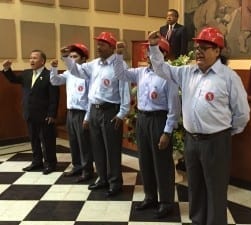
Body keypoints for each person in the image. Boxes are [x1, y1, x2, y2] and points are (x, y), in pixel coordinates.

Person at [148, 27, 250, 225]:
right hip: (191, 141)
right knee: (195, 186)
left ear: (217, 51)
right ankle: (197, 221)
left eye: (204, 47)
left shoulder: (229, 77)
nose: (198, 51)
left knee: (215, 189)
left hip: (216, 141)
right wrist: (153, 47)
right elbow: (161, 69)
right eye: (197, 47)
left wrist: (225, 133)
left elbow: (242, 114)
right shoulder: (187, 72)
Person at [113, 38, 181, 218]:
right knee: (145, 161)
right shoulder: (141, 72)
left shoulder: (169, 76)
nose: (148, 54)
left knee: (162, 164)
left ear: (163, 54)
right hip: (142, 119)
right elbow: (121, 75)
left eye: (153, 50)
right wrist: (119, 55)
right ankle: (150, 197)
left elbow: (174, 108)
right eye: (148, 51)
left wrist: (167, 131)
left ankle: (166, 202)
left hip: (159, 120)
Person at [60, 32, 130, 197]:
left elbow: (124, 91)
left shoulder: (119, 65)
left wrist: (122, 113)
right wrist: (66, 57)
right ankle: (102, 178)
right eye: (98, 43)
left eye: (102, 44)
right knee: (97, 147)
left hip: (110, 111)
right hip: (94, 111)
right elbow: (77, 71)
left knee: (111, 149)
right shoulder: (94, 64)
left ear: (112, 47)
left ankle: (115, 182)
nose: (98, 47)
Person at [1, 50, 60, 175]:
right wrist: (7, 69)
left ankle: (50, 164)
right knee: (34, 139)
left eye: (34, 58)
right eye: (30, 58)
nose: (31, 60)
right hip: (30, 113)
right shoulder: (26, 73)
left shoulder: (50, 75)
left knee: (47, 140)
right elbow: (13, 79)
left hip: (44, 115)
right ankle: (37, 161)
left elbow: (54, 97)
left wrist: (52, 114)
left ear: (42, 61)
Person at [50, 43, 94, 183]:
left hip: (83, 112)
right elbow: (55, 81)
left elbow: (91, 97)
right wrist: (54, 68)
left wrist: (88, 116)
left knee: (84, 143)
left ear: (83, 58)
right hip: (71, 112)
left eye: (75, 56)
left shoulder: (87, 74)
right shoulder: (69, 73)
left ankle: (87, 170)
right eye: (70, 56)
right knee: (73, 141)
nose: (72, 59)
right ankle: (77, 166)